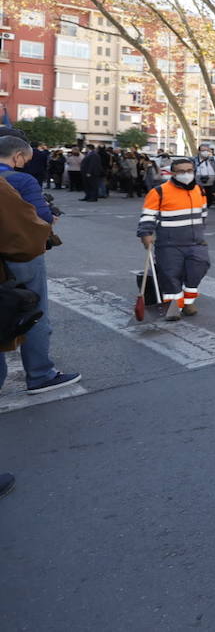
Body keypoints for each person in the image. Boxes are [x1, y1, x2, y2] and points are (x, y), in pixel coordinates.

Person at [0, 132, 81, 395]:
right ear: (18, 156)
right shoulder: (21, 179)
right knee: (33, 312)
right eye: (25, 159)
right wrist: (50, 219)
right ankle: (40, 374)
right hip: (19, 255)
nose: (25, 164)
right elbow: (42, 217)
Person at [1, 161, 56, 499]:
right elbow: (25, 235)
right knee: (31, 308)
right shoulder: (12, 182)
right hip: (16, 262)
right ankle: (41, 372)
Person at [138, 156, 211, 322]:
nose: (186, 174)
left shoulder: (199, 189)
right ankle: (173, 307)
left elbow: (203, 214)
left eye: (189, 170)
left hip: (196, 242)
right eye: (181, 171)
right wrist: (145, 234)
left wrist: (201, 233)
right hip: (169, 244)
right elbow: (148, 216)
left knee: (198, 269)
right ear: (173, 173)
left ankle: (187, 301)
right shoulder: (159, 192)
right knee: (171, 275)